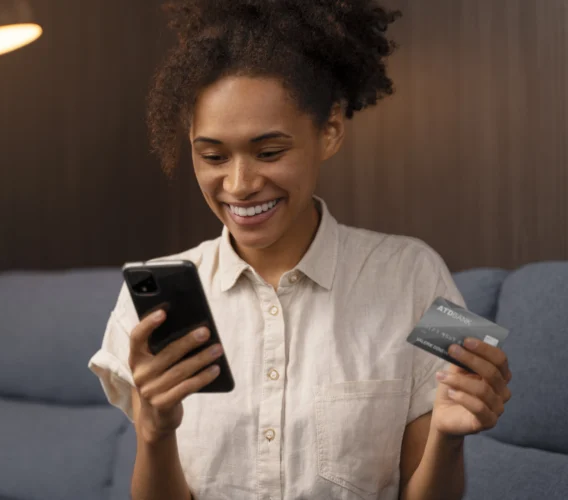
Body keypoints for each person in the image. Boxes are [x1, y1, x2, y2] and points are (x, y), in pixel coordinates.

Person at [89, 1, 513, 499]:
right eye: (213, 156)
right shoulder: (148, 305)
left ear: (330, 129)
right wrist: (154, 431)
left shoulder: (414, 274)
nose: (240, 184)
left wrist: (449, 436)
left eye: (269, 152)